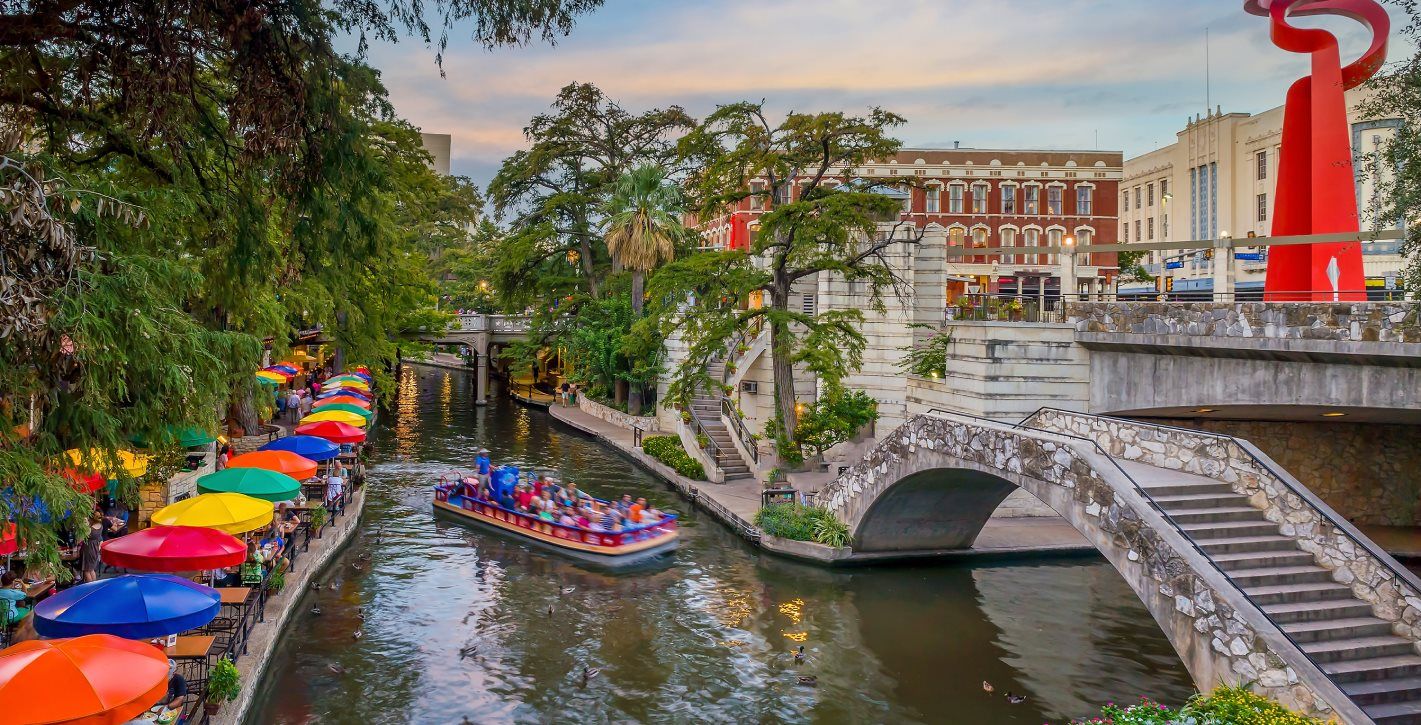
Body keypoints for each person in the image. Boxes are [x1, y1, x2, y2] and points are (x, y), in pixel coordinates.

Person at [80, 511, 103, 581]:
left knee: (87, 570)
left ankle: (90, 587)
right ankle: (94, 586)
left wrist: (84, 526)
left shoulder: (90, 529)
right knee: (91, 569)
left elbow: (80, 539)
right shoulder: (100, 526)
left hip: (88, 548)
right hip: (95, 547)